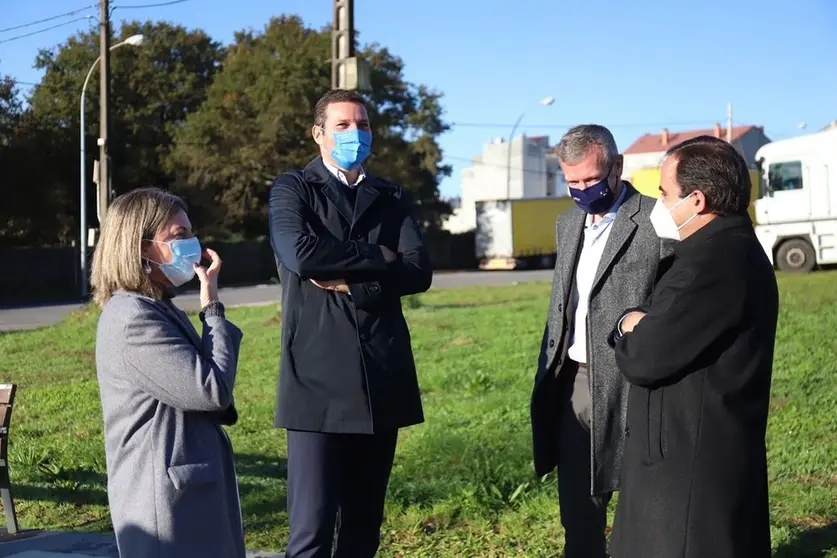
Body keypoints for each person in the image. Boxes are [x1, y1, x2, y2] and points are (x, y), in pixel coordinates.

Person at [268, 89, 433, 558]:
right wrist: (378, 255)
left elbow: (418, 270)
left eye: (362, 125)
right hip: (317, 381)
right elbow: (300, 254)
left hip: (381, 375)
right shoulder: (293, 188)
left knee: (363, 529)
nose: (354, 134)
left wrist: (359, 284)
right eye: (342, 125)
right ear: (318, 133)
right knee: (312, 530)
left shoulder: (391, 195)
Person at [609, 136, 779, 558]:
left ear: (697, 200)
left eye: (665, 193)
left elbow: (646, 356)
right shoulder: (713, 251)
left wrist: (628, 323)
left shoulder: (715, 263)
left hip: (690, 477)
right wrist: (641, 325)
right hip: (689, 459)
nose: (660, 204)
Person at [530, 124, 673, 558]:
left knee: (643, 503)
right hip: (577, 382)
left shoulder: (656, 219)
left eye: (591, 179)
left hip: (637, 383)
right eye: (572, 182)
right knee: (579, 507)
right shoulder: (567, 223)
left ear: (617, 166)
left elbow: (677, 297)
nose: (582, 190)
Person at [91, 187, 244, 558]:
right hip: (166, 505)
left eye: (191, 233)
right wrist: (213, 311)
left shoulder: (157, 307)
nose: (193, 244)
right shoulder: (133, 319)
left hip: (189, 494)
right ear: (141, 248)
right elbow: (210, 391)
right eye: (178, 236)